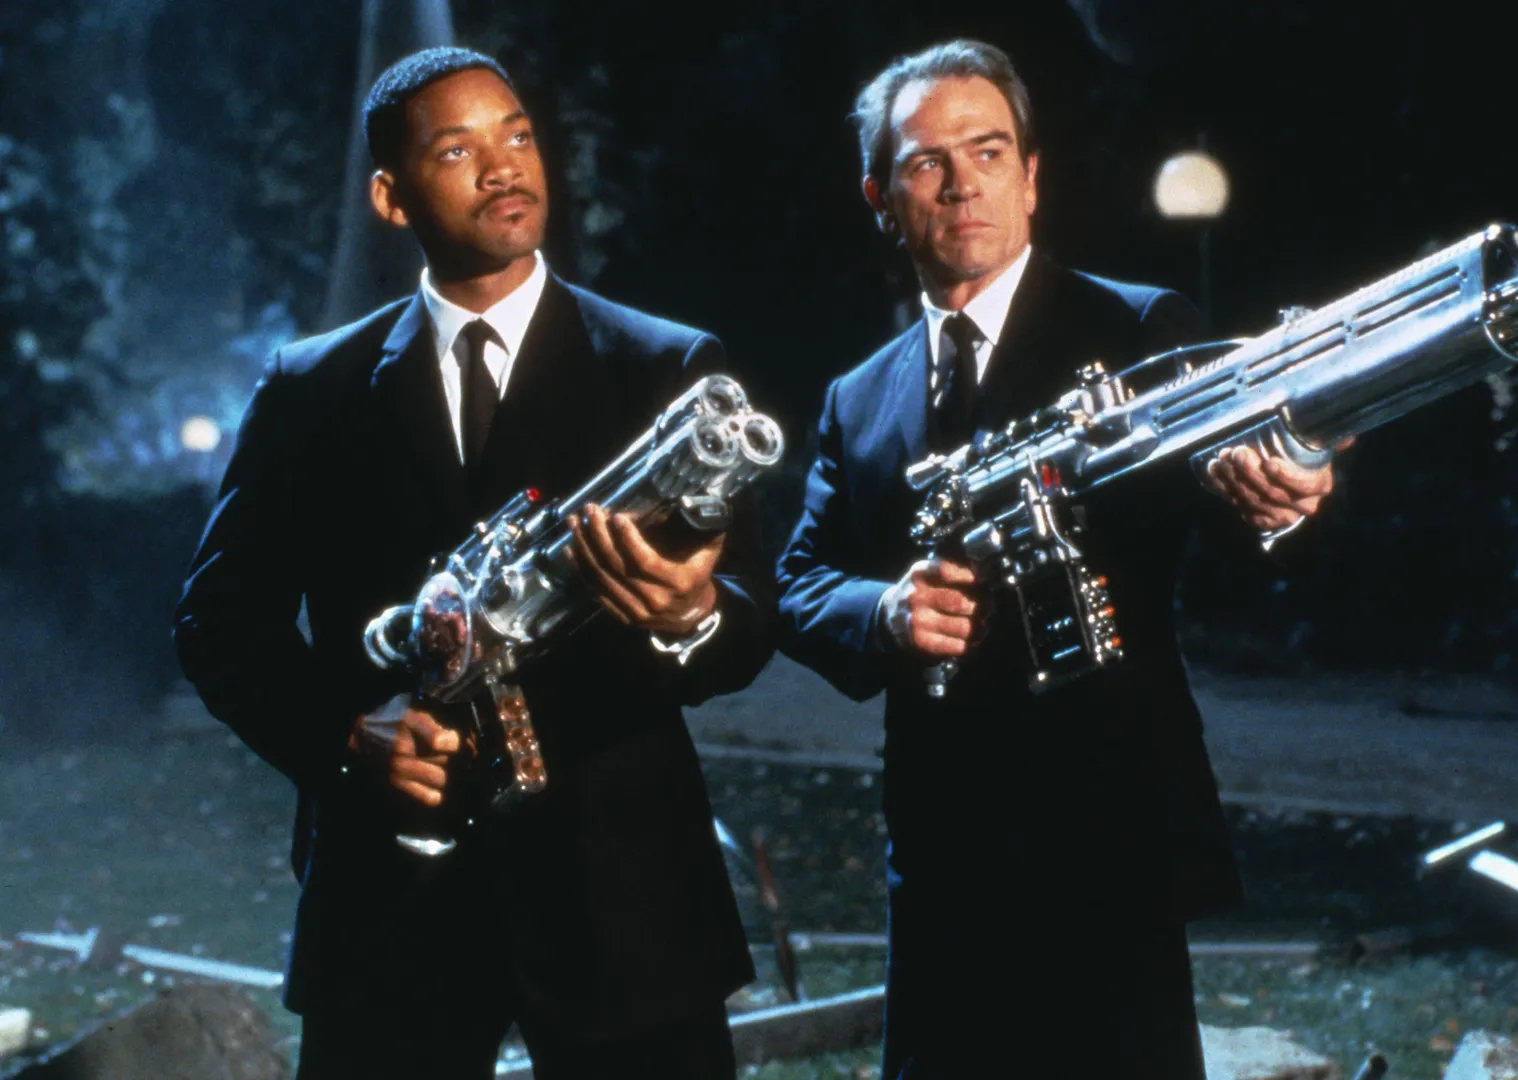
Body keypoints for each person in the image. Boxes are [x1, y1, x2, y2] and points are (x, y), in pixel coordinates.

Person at [174, 47, 769, 1079]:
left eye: (518, 136)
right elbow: (218, 626)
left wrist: (693, 613)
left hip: (623, 905)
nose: (504, 168)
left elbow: (753, 616)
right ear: (389, 196)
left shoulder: (667, 367)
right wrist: (345, 739)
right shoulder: (311, 389)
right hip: (390, 905)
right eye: (457, 150)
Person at [775, 39, 1341, 1079]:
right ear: (880, 199)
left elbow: (1239, 503)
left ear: (1030, 177)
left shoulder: (1136, 327)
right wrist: (884, 611)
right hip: (943, 855)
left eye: (988, 152)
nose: (962, 184)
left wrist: (1290, 487)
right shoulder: (859, 398)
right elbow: (799, 582)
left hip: (1109, 834)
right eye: (927, 162)